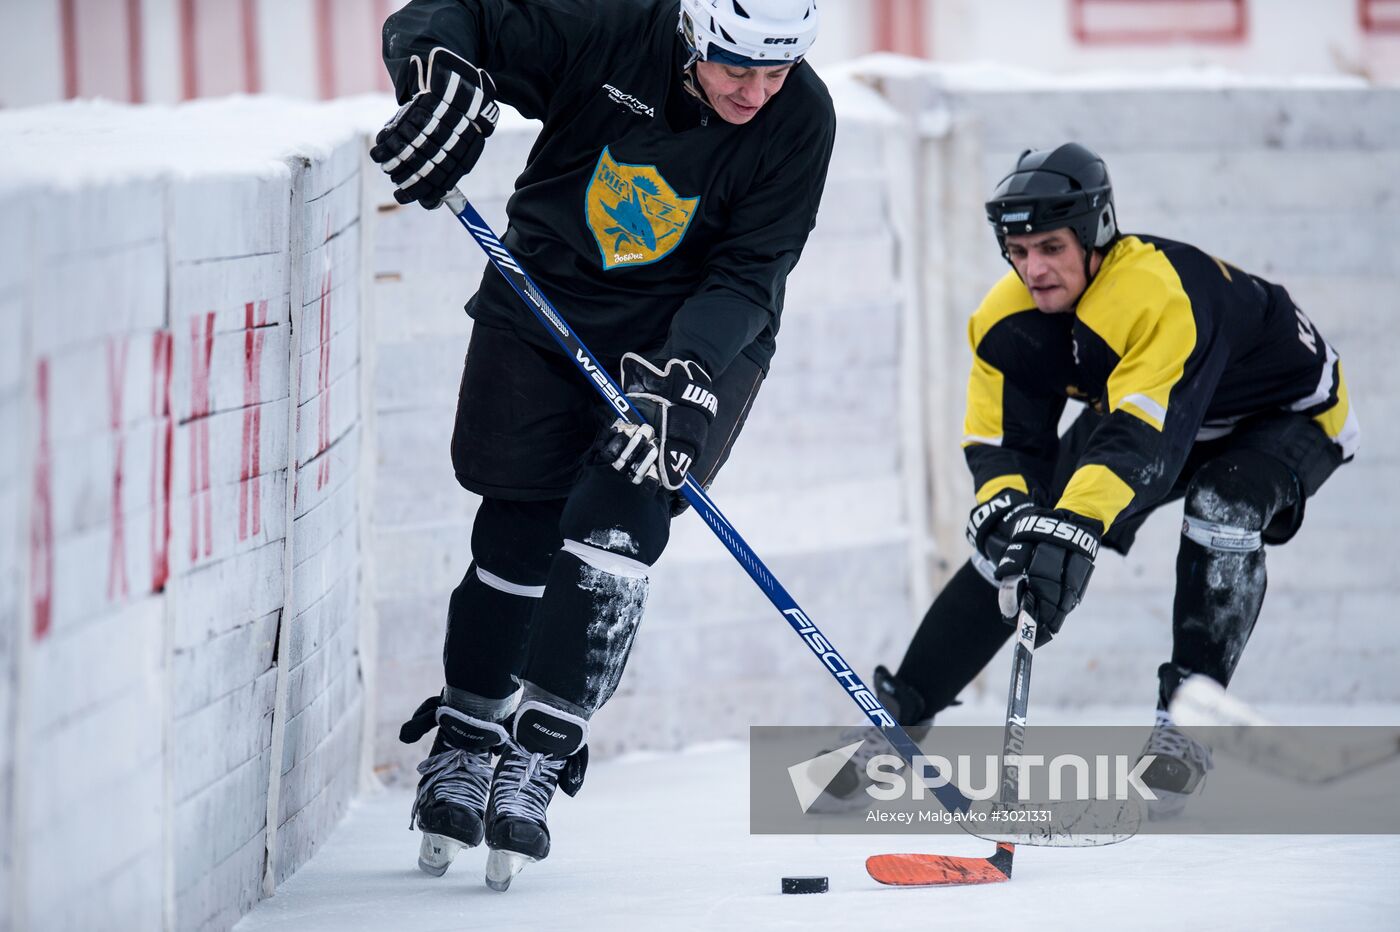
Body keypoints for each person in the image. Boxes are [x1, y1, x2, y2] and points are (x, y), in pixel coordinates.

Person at [372, 0, 834, 889]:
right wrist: (436, 73)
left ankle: (540, 752)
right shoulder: (614, 24)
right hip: (546, 302)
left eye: (777, 71)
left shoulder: (801, 116)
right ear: (692, 34)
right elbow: (450, 15)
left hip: (693, 337)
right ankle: (468, 736)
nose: (756, 91)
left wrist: (684, 377)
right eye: (737, 66)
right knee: (517, 524)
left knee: (621, 519)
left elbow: (751, 270)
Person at [817, 142, 1359, 818]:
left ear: (1096, 233)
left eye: (1050, 247)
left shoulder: (1152, 292)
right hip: (1160, 407)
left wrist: (1070, 531)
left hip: (1284, 416)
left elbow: (1141, 440)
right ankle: (895, 726)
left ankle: (1185, 729)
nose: (1033, 268)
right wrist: (1013, 513)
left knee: (1223, 503)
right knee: (1010, 539)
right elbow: (1001, 444)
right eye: (1018, 251)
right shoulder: (1004, 320)